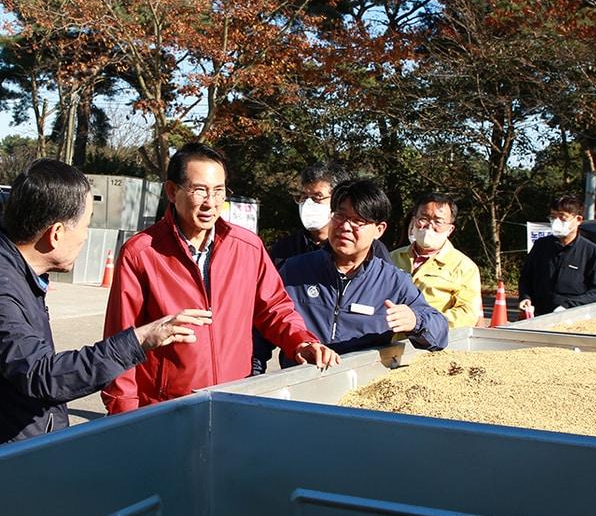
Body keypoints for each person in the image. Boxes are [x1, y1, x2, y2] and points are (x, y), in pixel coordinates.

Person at [0, 159, 210, 458]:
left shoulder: (5, 268)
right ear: (56, 233)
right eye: (86, 225)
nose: (86, 235)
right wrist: (137, 341)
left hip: (11, 458)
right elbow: (43, 376)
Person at [102, 143, 339, 414]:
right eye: (199, 190)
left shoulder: (247, 247)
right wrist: (123, 413)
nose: (210, 202)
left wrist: (301, 341)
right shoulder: (142, 252)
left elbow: (275, 309)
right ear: (172, 191)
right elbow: (121, 338)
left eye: (218, 191)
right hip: (166, 409)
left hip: (233, 400)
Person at [272, 179, 449, 358]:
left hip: (363, 381)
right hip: (301, 380)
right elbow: (260, 327)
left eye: (358, 221)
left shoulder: (393, 282)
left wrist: (416, 321)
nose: (345, 227)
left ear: (379, 230)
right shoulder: (294, 270)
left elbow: (439, 333)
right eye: (340, 216)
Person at [268, 161, 392, 269]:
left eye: (317, 197)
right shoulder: (285, 248)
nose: (308, 203)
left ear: (338, 199)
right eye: (304, 197)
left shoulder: (370, 248)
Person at [389, 192, 483, 329]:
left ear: (450, 229)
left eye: (438, 221)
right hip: (387, 342)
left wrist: (421, 322)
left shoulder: (464, 267)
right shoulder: (391, 258)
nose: (429, 226)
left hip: (433, 345)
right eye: (423, 219)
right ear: (414, 220)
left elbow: (467, 314)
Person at [518, 194, 596, 317]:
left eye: (562, 217)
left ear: (578, 220)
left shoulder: (592, 252)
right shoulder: (541, 246)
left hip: (574, 318)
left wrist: (568, 306)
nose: (556, 222)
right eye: (553, 217)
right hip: (538, 316)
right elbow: (526, 278)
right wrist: (525, 297)